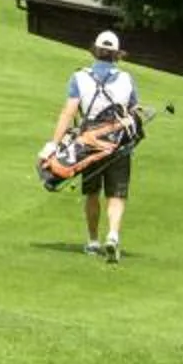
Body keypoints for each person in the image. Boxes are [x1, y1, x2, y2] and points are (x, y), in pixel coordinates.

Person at [49, 29, 140, 262]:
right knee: (117, 194)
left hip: (89, 143)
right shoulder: (127, 79)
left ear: (95, 51)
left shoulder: (80, 77)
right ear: (117, 54)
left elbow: (69, 112)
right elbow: (134, 111)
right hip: (119, 143)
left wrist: (53, 144)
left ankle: (92, 241)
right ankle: (113, 235)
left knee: (92, 192)